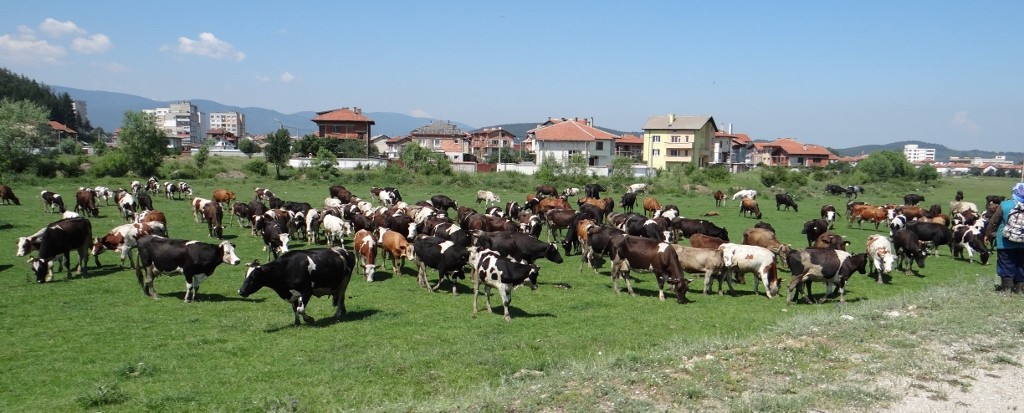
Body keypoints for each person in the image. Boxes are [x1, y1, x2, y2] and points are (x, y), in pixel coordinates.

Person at [984, 182, 1024, 294]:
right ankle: (1020, 289)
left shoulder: (1005, 205)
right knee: (1021, 264)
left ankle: (1007, 289)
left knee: (1006, 264)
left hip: (1005, 242)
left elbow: (994, 222)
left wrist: (988, 234)